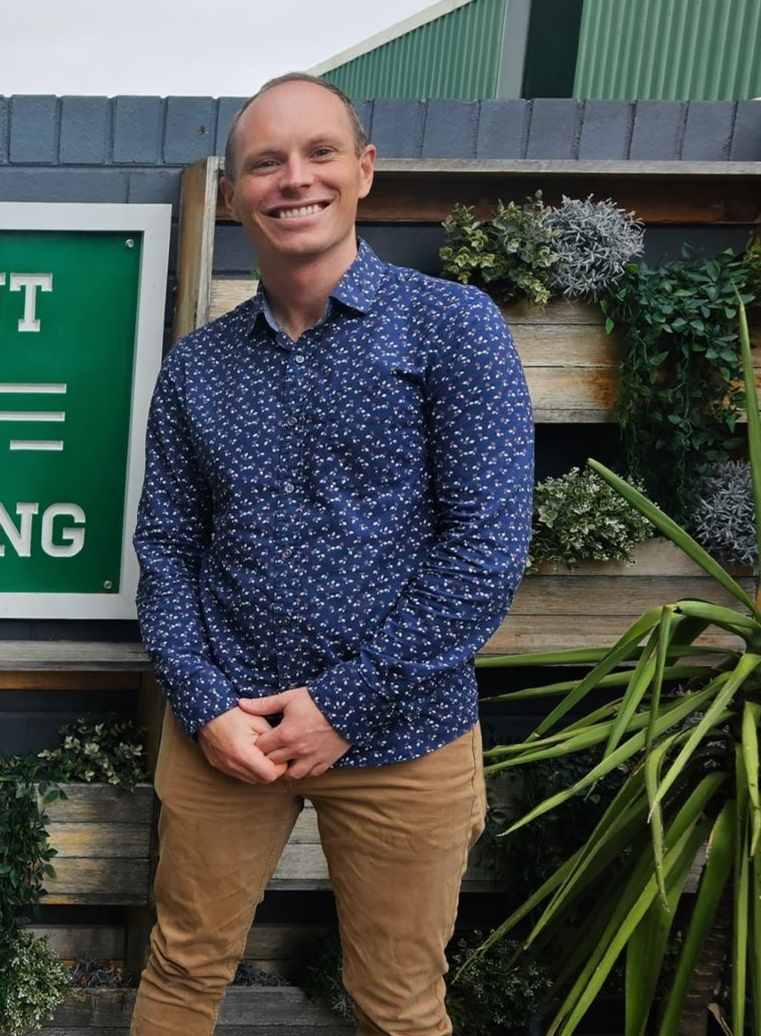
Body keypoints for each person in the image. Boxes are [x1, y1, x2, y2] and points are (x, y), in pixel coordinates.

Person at [129, 72, 533, 1036]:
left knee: (399, 1002)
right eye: (264, 162)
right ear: (233, 196)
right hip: (226, 736)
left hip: (406, 734)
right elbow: (168, 548)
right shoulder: (199, 365)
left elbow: (485, 549)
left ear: (363, 170)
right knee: (182, 971)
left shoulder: (452, 329)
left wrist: (343, 704)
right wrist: (203, 703)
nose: (292, 179)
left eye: (317, 153)